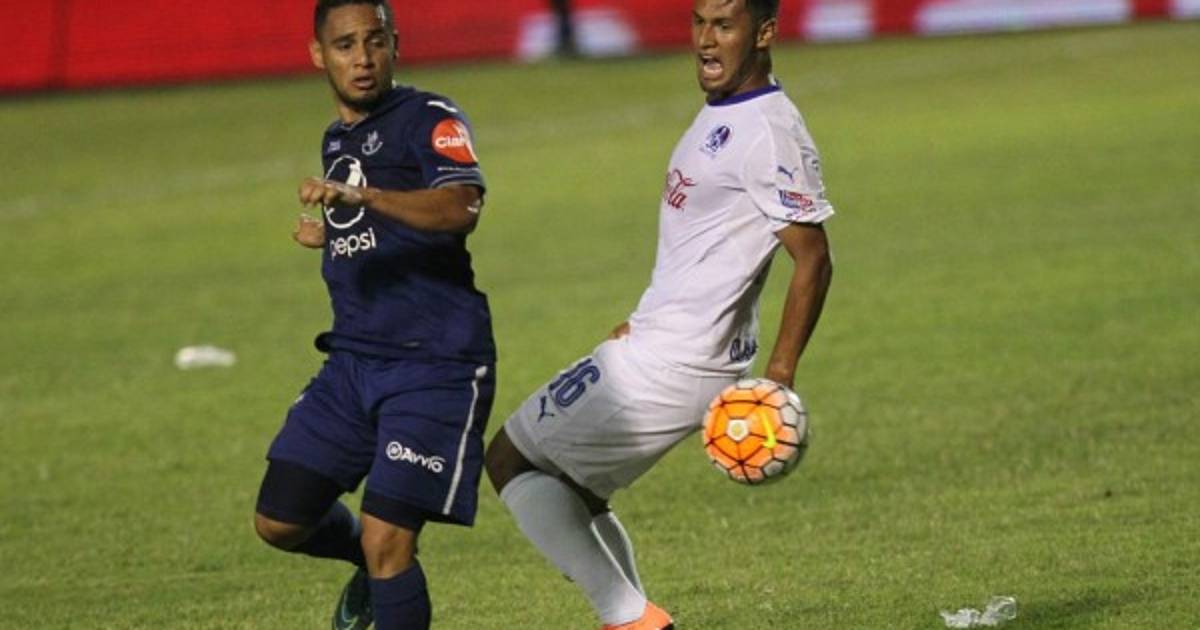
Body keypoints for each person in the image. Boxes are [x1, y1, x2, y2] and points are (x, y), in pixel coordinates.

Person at [484, 0, 833, 628]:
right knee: (578, 489)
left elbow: (812, 257)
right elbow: (707, 246)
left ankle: (632, 619)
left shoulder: (766, 131)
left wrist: (780, 377)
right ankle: (632, 617)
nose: (706, 39)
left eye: (724, 25)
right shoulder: (727, 109)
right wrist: (643, 318)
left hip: (674, 361)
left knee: (510, 460)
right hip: (666, 344)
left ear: (764, 33)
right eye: (699, 22)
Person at [252, 2, 496, 629]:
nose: (362, 59)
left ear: (395, 44)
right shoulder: (337, 139)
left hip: (434, 363)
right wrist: (333, 234)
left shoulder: (430, 116)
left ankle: (383, 573)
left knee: (389, 539)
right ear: (318, 55)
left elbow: (460, 208)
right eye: (345, 46)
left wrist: (363, 196)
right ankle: (368, 565)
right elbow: (375, 227)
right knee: (280, 519)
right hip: (354, 361)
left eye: (375, 41)